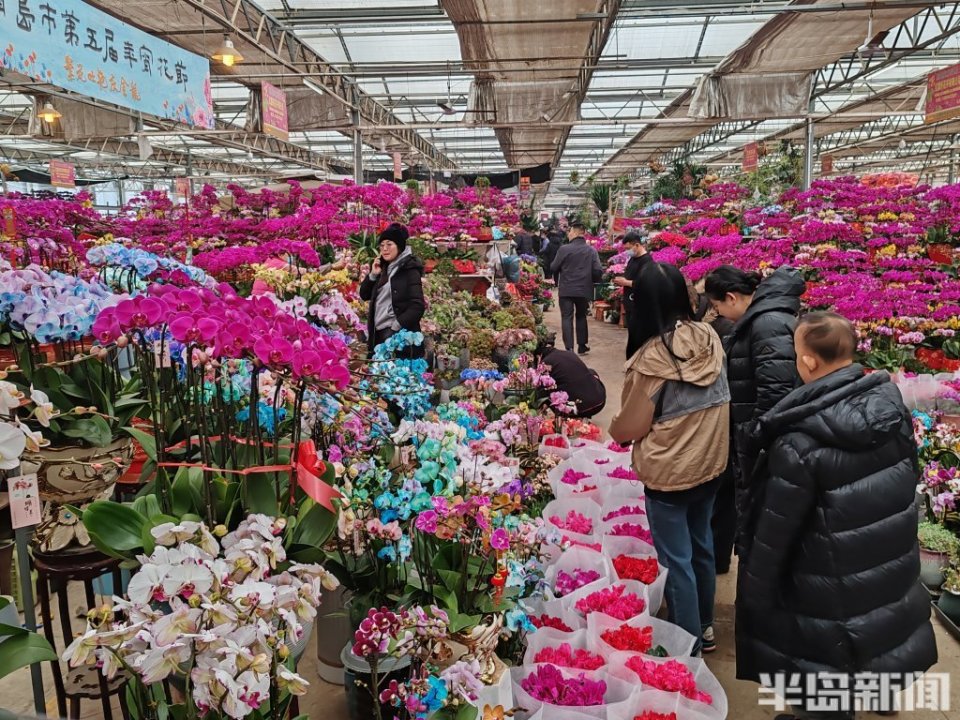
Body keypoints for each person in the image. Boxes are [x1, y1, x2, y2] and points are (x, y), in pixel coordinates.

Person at [737, 312, 937, 719]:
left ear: (809, 361)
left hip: (824, 577)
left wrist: (755, 595)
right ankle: (881, 695)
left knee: (824, 668)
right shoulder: (889, 408)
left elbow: (775, 533)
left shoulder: (799, 442)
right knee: (878, 627)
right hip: (884, 557)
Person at [609, 262, 730, 655]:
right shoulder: (709, 338)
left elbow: (630, 427)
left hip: (669, 475)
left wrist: (617, 432)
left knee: (676, 560)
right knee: (702, 546)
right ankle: (706, 627)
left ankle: (686, 646)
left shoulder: (652, 359)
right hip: (711, 464)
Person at [703, 265, 803, 561]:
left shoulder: (767, 324)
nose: (718, 313)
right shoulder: (760, 319)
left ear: (731, 298)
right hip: (748, 428)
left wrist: (752, 435)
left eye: (717, 306)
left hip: (759, 435)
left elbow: (776, 391)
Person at [689, 280, 737, 574]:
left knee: (716, 498)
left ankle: (714, 557)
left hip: (722, 421)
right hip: (728, 420)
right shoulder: (726, 329)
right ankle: (718, 559)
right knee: (723, 498)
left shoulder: (720, 332)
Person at [359, 223, 425, 358]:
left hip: (398, 336)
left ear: (399, 247)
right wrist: (372, 275)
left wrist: (396, 326)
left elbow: (417, 306)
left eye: (389, 244)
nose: (385, 249)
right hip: (378, 332)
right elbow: (364, 295)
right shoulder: (383, 268)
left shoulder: (409, 269)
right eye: (382, 245)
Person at [551, 219, 603, 355]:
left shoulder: (564, 249)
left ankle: (569, 348)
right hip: (583, 289)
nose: (568, 234)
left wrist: (558, 278)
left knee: (567, 317)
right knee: (581, 316)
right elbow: (598, 270)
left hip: (566, 289)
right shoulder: (591, 251)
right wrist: (593, 283)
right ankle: (582, 345)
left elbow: (553, 267)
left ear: (574, 233)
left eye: (569, 232)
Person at [535, 336, 606, 418]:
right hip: (600, 401)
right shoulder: (568, 353)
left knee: (546, 391)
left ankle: (577, 412)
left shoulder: (545, 364)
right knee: (590, 371)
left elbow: (539, 391)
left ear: (538, 356)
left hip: (578, 408)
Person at [612, 230, 653, 359]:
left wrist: (627, 282)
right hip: (630, 303)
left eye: (629, 248)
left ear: (636, 245)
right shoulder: (633, 259)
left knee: (639, 333)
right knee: (632, 332)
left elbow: (647, 283)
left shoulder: (647, 261)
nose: (627, 252)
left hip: (639, 303)